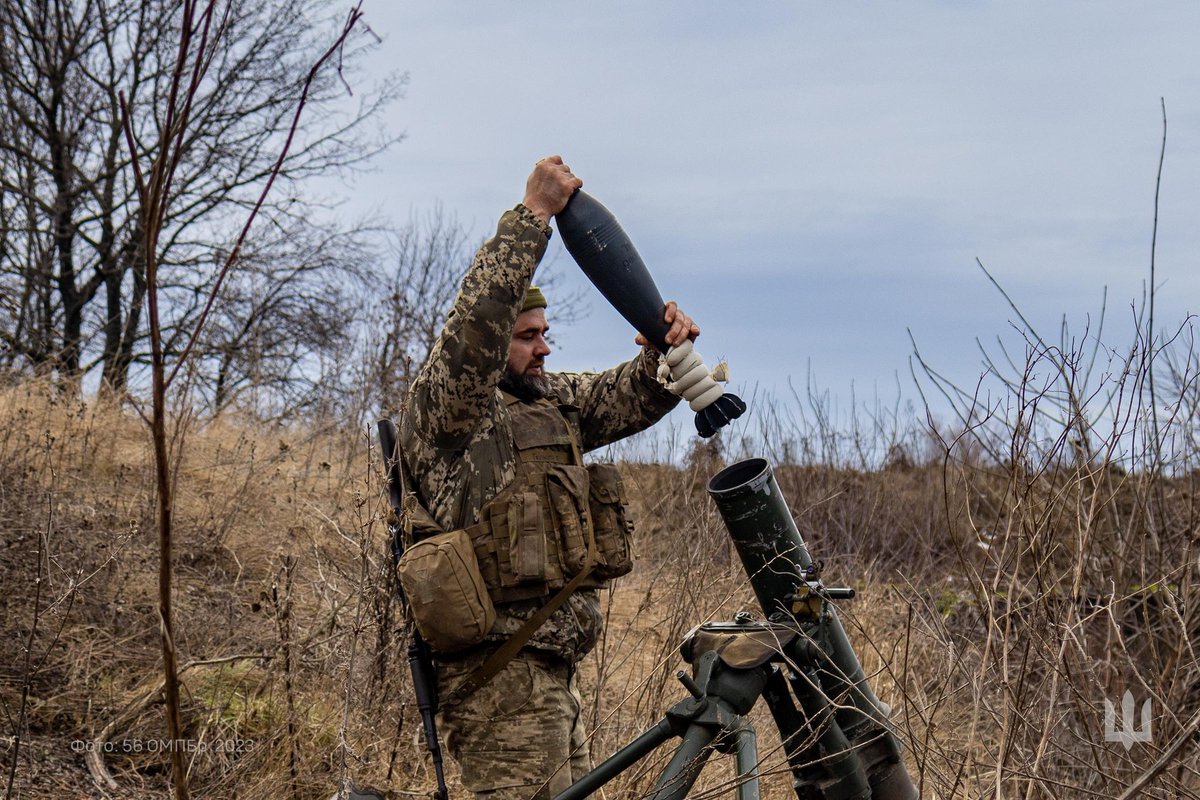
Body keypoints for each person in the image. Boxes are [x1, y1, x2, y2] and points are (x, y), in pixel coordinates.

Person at [397, 155, 700, 799]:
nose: (544, 347)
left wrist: (663, 353)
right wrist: (533, 218)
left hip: (553, 677)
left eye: (545, 332)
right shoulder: (451, 417)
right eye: (527, 335)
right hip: (498, 683)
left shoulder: (545, 403)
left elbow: (625, 397)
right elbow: (474, 331)